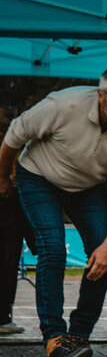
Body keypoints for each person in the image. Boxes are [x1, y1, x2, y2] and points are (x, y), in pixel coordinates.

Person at [0, 68, 107, 357]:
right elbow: (15, 133)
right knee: (53, 249)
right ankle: (55, 338)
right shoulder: (63, 104)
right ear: (101, 95)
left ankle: (78, 337)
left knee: (103, 253)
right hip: (39, 176)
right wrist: (2, 176)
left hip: (88, 186)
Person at [0, 105, 28, 336]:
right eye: (7, 113)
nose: (11, 118)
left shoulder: (19, 138)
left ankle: (3, 316)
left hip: (12, 207)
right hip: (7, 205)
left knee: (9, 262)